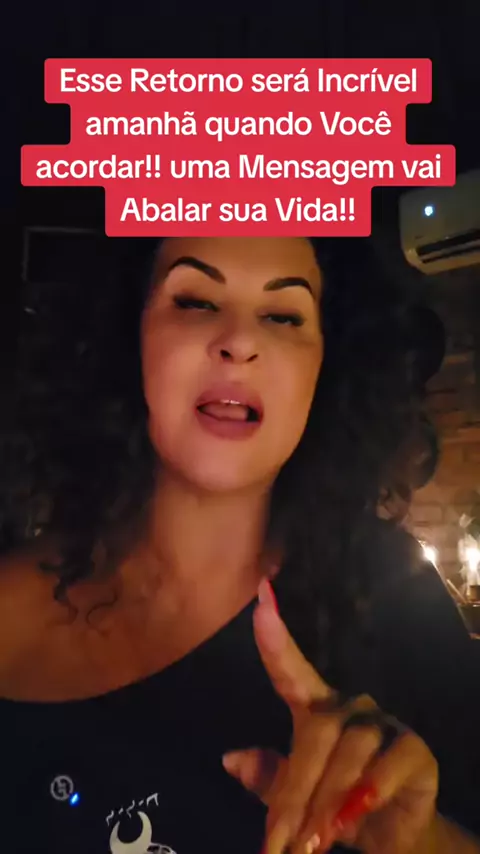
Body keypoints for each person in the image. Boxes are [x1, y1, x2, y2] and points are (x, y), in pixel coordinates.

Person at [0, 235, 479, 854]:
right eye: (196, 301)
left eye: (283, 315)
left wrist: (425, 842)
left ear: (327, 365)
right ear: (128, 335)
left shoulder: (399, 602)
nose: (240, 341)